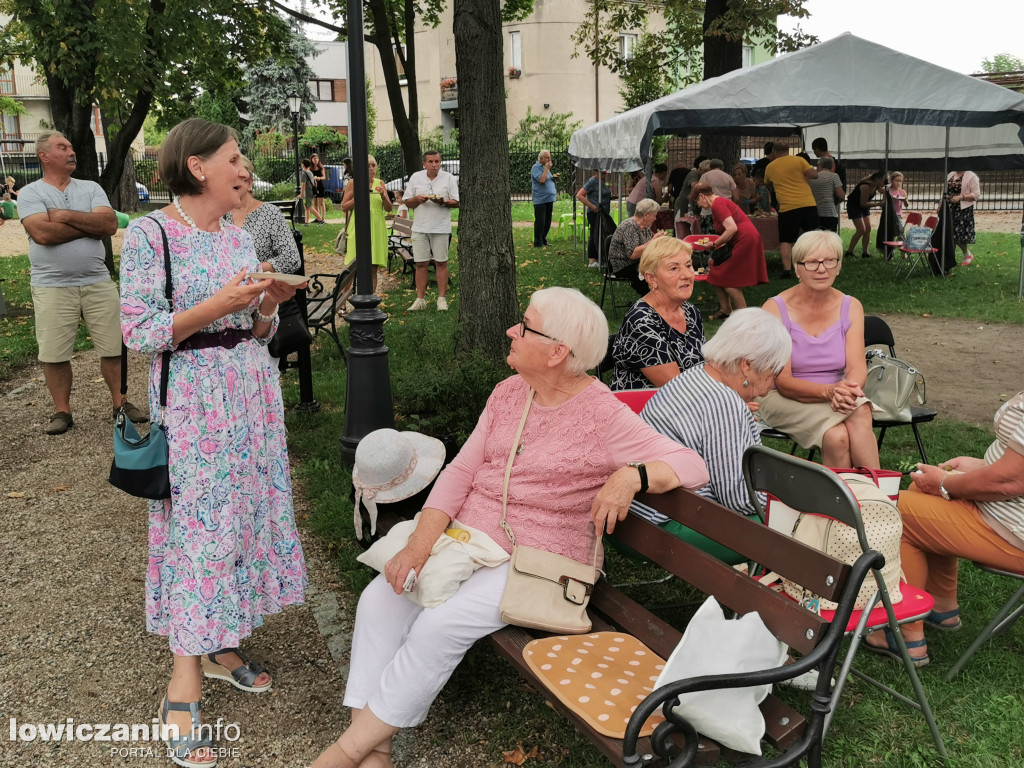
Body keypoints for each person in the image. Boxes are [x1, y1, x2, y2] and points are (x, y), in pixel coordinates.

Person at [312, 286, 710, 768]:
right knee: (381, 596)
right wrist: (419, 544)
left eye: (525, 325)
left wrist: (633, 474)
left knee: (440, 625)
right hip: (471, 540)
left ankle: (347, 751)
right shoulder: (508, 392)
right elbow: (459, 472)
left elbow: (691, 463)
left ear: (558, 351)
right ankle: (377, 752)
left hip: (541, 560)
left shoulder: (602, 413)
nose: (511, 330)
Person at [119, 117, 308, 768]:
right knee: (199, 533)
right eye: (235, 158)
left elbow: (254, 331)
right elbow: (142, 332)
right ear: (198, 166)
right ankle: (183, 685)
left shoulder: (238, 237)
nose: (245, 168)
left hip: (250, 395)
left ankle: (221, 645)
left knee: (241, 523)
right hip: (194, 402)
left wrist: (265, 304)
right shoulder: (149, 234)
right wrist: (218, 303)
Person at [863, 391, 1024, 667]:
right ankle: (941, 606)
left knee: (894, 510)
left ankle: (905, 633)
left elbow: (1009, 482)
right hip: (1008, 515)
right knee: (920, 492)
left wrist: (945, 484)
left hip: (1014, 531)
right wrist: (977, 467)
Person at [18, 130, 146, 436]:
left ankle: (121, 403)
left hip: (97, 281)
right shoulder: (30, 193)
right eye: (63, 147)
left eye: (72, 146)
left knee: (114, 346)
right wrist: (88, 225)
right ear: (44, 156)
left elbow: (109, 225)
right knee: (54, 353)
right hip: (51, 285)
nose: (71, 151)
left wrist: (61, 215)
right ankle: (62, 411)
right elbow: (43, 235)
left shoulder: (91, 188)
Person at [636, 308, 792, 556]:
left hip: (641, 513)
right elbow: (738, 499)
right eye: (775, 371)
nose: (774, 381)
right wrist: (788, 500)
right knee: (797, 530)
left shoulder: (698, 374)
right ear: (747, 366)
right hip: (665, 523)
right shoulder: (723, 401)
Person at [758, 231, 879, 468]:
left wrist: (847, 390)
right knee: (851, 422)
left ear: (838, 266)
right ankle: (876, 500)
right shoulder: (774, 309)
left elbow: (857, 367)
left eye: (829, 261)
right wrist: (829, 392)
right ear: (797, 268)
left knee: (842, 431)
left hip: (838, 394)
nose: (821, 269)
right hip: (782, 397)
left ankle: (864, 500)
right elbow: (783, 382)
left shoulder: (851, 306)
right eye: (812, 262)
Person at [611, 237, 704, 391]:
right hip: (647, 408)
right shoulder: (641, 322)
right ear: (651, 278)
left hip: (689, 404)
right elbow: (676, 388)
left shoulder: (690, 311)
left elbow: (704, 367)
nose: (686, 275)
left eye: (688, 265)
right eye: (674, 268)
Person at [690, 181, 769, 320]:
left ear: (702, 196)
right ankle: (726, 309)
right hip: (742, 239)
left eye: (697, 200)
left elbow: (732, 228)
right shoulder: (719, 203)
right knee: (715, 270)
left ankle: (744, 316)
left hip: (745, 239)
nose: (698, 204)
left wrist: (714, 244)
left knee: (729, 280)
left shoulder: (718, 204)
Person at [223, 155, 301, 273]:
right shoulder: (220, 215)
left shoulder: (270, 213)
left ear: (249, 183)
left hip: (264, 288)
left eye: (237, 178)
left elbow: (291, 258)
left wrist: (252, 270)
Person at [404, 150, 459, 311]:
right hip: (420, 227)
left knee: (441, 262)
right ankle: (420, 299)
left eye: (437, 161)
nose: (434, 165)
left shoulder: (448, 178)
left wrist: (443, 201)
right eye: (431, 162)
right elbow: (408, 202)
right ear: (424, 164)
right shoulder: (416, 177)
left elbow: (456, 201)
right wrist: (418, 199)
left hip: (441, 227)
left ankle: (441, 299)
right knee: (421, 263)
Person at [764, 141, 819, 276]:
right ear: (788, 150)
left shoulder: (770, 167)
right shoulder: (799, 160)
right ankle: (817, 262)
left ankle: (787, 270)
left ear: (774, 152)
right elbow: (814, 175)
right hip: (807, 203)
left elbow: (767, 183)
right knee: (815, 235)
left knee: (786, 240)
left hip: (787, 207)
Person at [342, 154, 393, 294]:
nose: (371, 168)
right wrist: (360, 196)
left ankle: (370, 300)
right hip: (358, 227)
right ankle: (342, 304)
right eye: (367, 166)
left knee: (373, 267)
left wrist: (383, 196)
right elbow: (344, 206)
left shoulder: (380, 183)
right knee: (353, 266)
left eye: (373, 165)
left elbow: (389, 208)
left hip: (377, 227)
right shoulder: (354, 183)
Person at [607, 198, 667, 296]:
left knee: (660, 265)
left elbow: (649, 248)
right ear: (646, 215)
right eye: (654, 216)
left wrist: (660, 241)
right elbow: (633, 255)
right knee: (650, 272)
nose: (655, 218)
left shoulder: (646, 227)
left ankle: (660, 297)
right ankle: (653, 299)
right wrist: (653, 241)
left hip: (637, 263)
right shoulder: (629, 226)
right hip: (622, 265)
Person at [941, 169, 980, 266]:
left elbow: (976, 195)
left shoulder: (971, 176)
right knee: (950, 234)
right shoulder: (951, 174)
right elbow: (944, 192)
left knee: (958, 235)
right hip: (950, 208)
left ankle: (967, 254)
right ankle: (951, 259)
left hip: (963, 210)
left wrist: (961, 197)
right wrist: (940, 205)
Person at [575, 169, 611, 269]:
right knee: (595, 234)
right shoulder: (593, 181)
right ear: (596, 172)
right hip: (595, 213)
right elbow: (579, 195)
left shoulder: (601, 182)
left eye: (605, 173)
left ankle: (600, 257)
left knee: (601, 235)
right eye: (603, 173)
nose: (605, 175)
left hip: (603, 213)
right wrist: (592, 206)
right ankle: (592, 260)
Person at [845, 171, 885, 259]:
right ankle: (849, 251)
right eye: (884, 181)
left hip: (863, 207)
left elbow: (884, 191)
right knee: (861, 230)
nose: (885, 183)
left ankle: (865, 252)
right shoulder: (866, 186)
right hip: (854, 206)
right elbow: (863, 203)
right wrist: (878, 204)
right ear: (878, 179)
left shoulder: (877, 185)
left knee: (868, 229)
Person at [808, 157, 846, 234]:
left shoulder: (811, 178)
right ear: (832, 166)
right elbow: (841, 196)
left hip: (814, 213)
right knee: (830, 240)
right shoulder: (834, 176)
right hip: (830, 213)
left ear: (820, 165)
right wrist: (835, 203)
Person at [531, 149, 557, 247]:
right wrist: (546, 169)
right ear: (541, 158)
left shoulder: (546, 168)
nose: (549, 159)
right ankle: (538, 242)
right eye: (547, 157)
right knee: (540, 221)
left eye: (549, 157)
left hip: (549, 199)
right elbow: (541, 180)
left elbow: (547, 178)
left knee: (547, 221)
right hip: (540, 199)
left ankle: (543, 240)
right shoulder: (536, 167)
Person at [674, 155, 707, 221]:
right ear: (700, 168)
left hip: (690, 206)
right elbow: (694, 185)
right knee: (682, 227)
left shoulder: (698, 174)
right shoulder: (693, 174)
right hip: (684, 205)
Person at [298, 159, 323, 224]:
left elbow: (303, 185)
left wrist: (301, 194)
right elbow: (315, 183)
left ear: (303, 165)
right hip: (311, 191)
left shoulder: (304, 174)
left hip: (307, 192)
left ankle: (320, 219)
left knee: (309, 206)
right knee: (306, 207)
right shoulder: (310, 172)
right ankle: (306, 221)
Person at [310, 153, 328, 225]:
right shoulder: (310, 168)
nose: (315, 160)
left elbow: (324, 177)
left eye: (316, 158)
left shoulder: (321, 167)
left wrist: (319, 178)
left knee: (321, 203)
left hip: (320, 186)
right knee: (315, 203)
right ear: (311, 160)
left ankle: (323, 218)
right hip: (313, 186)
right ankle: (318, 218)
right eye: (314, 158)